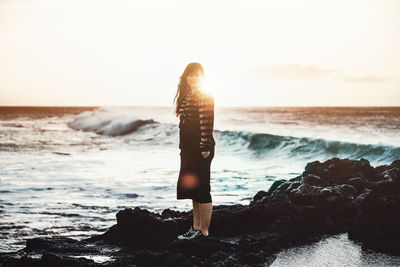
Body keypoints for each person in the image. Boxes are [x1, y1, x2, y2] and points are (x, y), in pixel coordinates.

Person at [172, 62, 216, 240]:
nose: (193, 78)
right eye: (190, 74)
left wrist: (205, 146)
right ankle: (195, 228)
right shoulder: (188, 95)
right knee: (194, 190)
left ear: (202, 77)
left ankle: (204, 231)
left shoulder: (204, 95)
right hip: (189, 149)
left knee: (203, 189)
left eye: (197, 75)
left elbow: (207, 124)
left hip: (201, 149)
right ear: (186, 76)